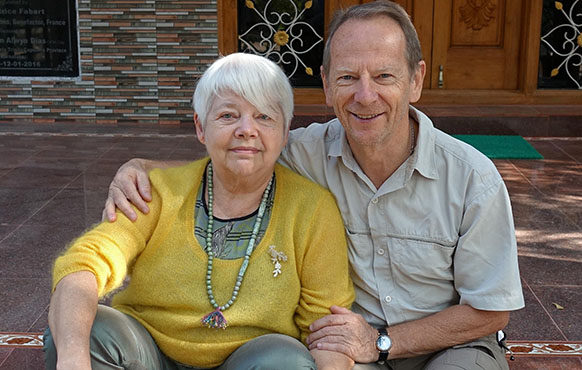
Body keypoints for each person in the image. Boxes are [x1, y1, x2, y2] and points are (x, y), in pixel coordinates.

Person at [103, 2, 525, 369]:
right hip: (345, 346)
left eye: (383, 76)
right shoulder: (301, 152)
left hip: (446, 344)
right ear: (325, 83)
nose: (364, 95)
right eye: (346, 78)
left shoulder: (472, 177)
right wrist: (141, 167)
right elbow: (231, 159)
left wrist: (382, 342)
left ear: (415, 81)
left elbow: (490, 312)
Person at [43, 52, 355, 370]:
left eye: (264, 117)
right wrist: (73, 358)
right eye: (228, 116)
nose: (247, 130)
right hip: (148, 355)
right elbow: (82, 267)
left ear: (285, 131)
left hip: (249, 361)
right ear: (200, 126)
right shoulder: (157, 192)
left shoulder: (313, 210)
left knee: (288, 361)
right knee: (87, 329)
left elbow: (326, 331)